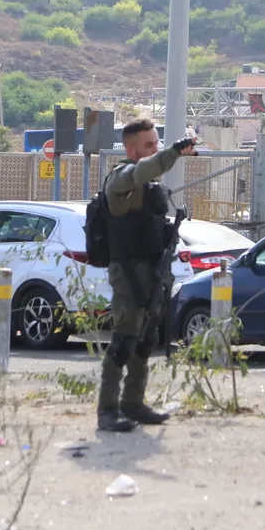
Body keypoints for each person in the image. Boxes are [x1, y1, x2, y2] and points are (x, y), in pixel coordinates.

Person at [98, 119, 196, 433]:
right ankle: (107, 409)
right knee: (124, 339)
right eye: (149, 145)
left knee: (146, 339)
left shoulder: (149, 183)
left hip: (153, 269)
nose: (154, 150)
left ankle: (133, 403)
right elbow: (144, 170)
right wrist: (174, 152)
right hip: (127, 271)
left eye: (157, 144)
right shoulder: (121, 177)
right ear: (131, 148)